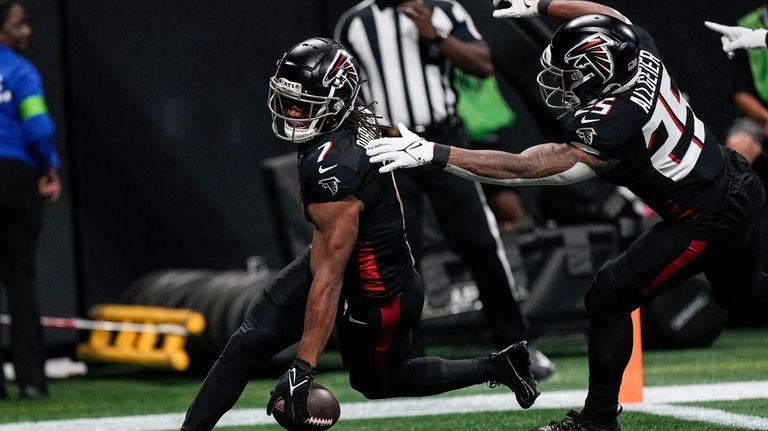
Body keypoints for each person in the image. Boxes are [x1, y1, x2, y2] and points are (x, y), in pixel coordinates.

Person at [366, 1, 768, 429]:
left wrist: (433, 152)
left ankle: (597, 422)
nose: (563, 85)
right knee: (740, 296)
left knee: (609, 295)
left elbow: (525, 168)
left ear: (598, 73)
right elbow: (608, 14)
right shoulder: (639, 50)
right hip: (736, 178)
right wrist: (539, 5)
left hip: (705, 217)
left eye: (571, 76)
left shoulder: (615, 121)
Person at [179, 37, 538, 431]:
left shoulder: (336, 168)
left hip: (377, 290)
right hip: (334, 259)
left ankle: (501, 365)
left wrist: (304, 366)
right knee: (247, 343)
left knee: (379, 382)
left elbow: (331, 278)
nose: (292, 113)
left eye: (305, 104)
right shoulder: (351, 124)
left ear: (335, 104)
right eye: (287, 101)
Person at [334, 0, 555, 379]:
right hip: (386, 145)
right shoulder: (355, 22)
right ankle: (404, 354)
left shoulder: (443, 10)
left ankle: (516, 344)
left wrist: (434, 35)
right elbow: (343, 91)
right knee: (398, 252)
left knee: (481, 243)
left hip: (441, 142)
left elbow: (483, 63)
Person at [0, 0, 60, 400]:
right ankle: (32, 381)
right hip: (16, 177)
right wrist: (50, 167)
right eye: (19, 24)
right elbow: (37, 126)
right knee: (20, 279)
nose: (28, 31)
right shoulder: (21, 72)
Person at [705, 12, 768, 183]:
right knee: (735, 151)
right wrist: (762, 38)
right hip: (759, 116)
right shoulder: (749, 24)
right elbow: (740, 93)